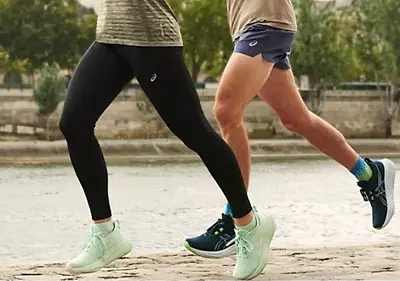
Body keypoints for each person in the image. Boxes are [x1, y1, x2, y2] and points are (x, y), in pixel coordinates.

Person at [60, 0, 275, 279]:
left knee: (196, 133)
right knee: (74, 124)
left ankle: (248, 225)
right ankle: (105, 232)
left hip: (153, 39)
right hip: (110, 35)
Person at [184, 0, 396, 258]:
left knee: (226, 111)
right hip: (251, 27)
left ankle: (236, 220)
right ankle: (369, 174)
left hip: (264, 24)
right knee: (295, 119)